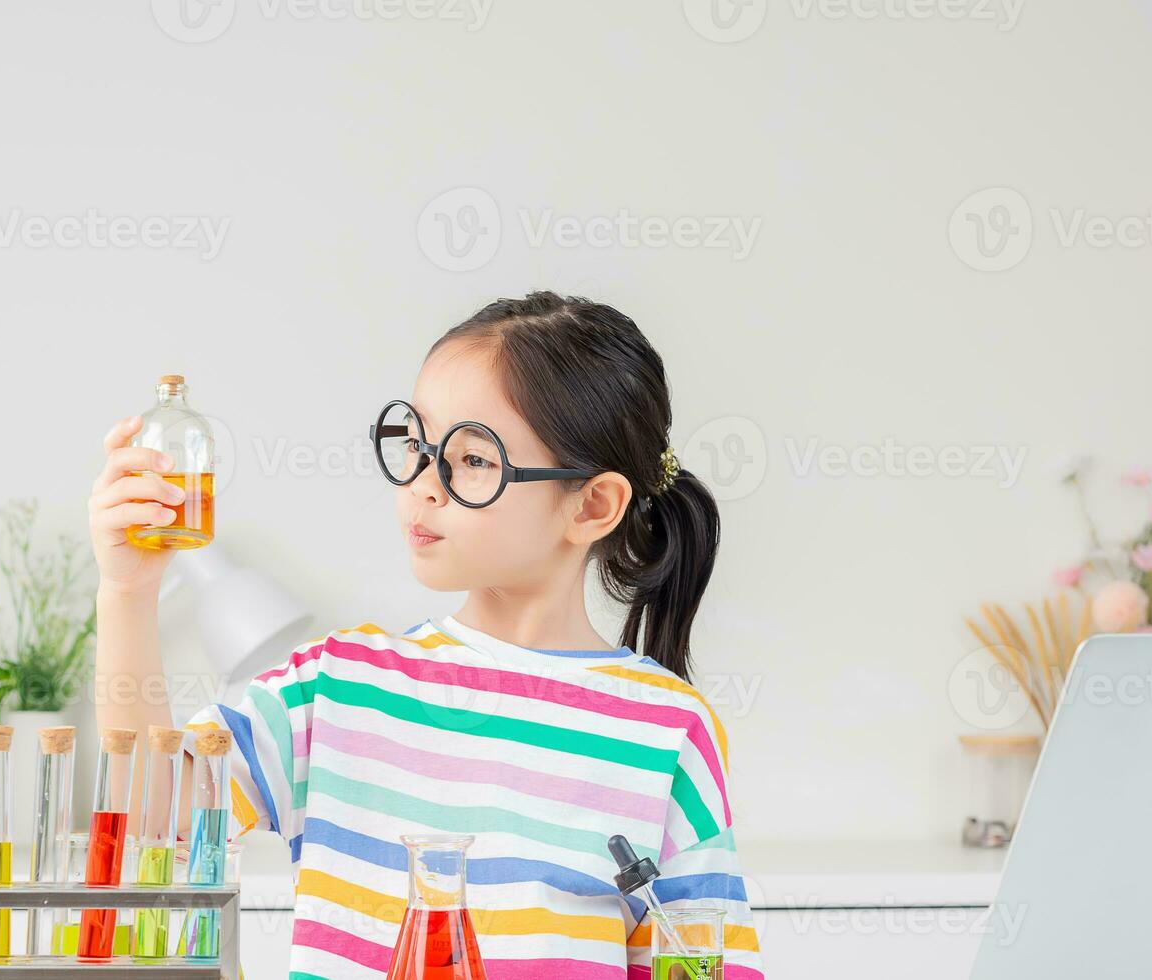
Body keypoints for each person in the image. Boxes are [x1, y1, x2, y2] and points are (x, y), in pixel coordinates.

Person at [90, 291, 764, 978]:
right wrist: (127, 595)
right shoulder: (338, 689)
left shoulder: (666, 731)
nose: (423, 483)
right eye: (417, 444)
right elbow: (156, 831)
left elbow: (704, 962)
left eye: (473, 460)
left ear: (592, 504)